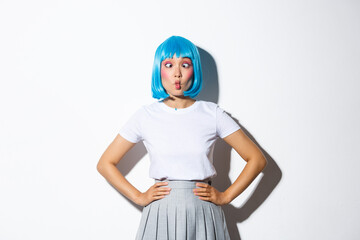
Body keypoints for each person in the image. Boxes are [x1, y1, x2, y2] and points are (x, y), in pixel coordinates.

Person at [97, 36, 267, 240]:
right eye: (169, 65)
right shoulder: (146, 116)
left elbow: (257, 159)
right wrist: (138, 196)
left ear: (194, 69)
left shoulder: (212, 114)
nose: (177, 73)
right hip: (161, 212)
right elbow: (105, 163)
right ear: (158, 71)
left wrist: (226, 196)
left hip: (203, 211)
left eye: (185, 64)